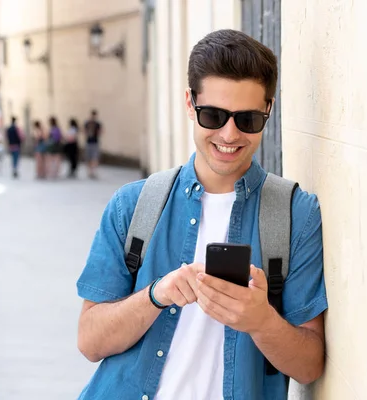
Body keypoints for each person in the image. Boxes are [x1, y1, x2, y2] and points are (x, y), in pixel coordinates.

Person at [75, 29, 327, 400]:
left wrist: (261, 321)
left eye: (248, 120)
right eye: (213, 115)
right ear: (190, 104)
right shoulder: (133, 205)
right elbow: (90, 341)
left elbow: (309, 365)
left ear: (268, 110)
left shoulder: (295, 214)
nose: (229, 134)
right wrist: (156, 295)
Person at [83, 109, 102, 179]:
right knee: (92, 158)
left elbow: (84, 132)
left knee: (92, 158)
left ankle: (91, 171)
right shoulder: (94, 123)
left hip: (91, 142)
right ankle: (92, 171)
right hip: (93, 142)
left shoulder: (92, 123)